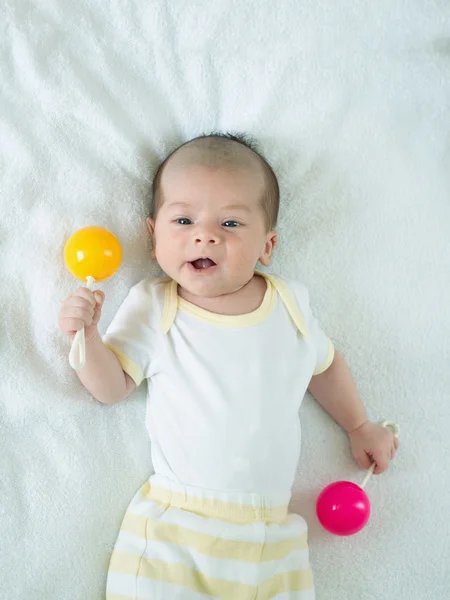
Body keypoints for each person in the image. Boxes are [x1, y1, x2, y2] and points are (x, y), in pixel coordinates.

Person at [59, 133, 399, 599]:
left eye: (232, 223)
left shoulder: (290, 304)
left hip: (272, 534)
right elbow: (111, 386)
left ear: (267, 244)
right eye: (183, 219)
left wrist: (358, 424)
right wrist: (87, 336)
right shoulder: (157, 307)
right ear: (153, 236)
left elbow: (324, 366)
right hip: (179, 528)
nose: (206, 235)